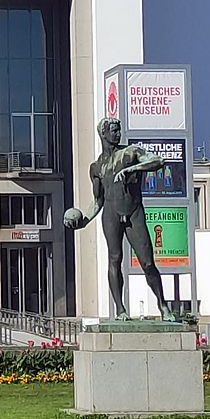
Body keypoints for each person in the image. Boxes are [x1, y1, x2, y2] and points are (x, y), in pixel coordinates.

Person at [63, 117, 175, 321]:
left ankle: (163, 306)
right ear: (103, 134)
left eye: (118, 130)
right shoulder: (96, 167)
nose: (118, 134)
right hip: (111, 214)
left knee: (147, 262)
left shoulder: (131, 152)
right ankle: (120, 309)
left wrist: (132, 169)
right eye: (113, 130)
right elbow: (98, 201)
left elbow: (159, 161)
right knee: (114, 259)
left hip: (133, 212)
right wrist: (83, 221)